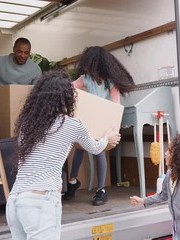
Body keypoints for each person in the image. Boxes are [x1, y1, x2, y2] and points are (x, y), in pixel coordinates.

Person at [5, 70, 121, 240]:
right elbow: (95, 148)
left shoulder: (27, 125)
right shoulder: (71, 125)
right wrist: (107, 138)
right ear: (68, 97)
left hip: (15, 201)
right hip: (40, 201)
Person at [63, 46, 135, 206]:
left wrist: (112, 129)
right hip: (90, 119)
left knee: (99, 149)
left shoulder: (111, 83)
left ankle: (101, 189)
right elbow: (70, 87)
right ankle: (73, 182)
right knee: (79, 147)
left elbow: (115, 106)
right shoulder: (86, 78)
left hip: (104, 122)